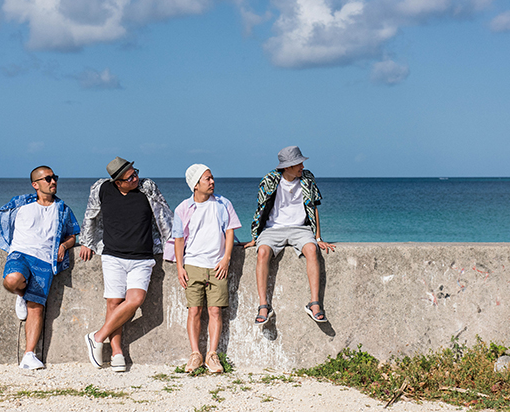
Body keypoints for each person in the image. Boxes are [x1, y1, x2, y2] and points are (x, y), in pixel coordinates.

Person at [0, 166, 79, 370]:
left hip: (45, 261)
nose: (53, 182)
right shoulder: (21, 203)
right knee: (12, 280)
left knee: (36, 307)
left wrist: (64, 245)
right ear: (35, 184)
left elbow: (73, 234)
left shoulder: (63, 209)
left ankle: (29, 355)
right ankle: (20, 293)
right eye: (48, 179)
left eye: (55, 178)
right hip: (20, 254)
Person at [79, 157, 173, 372]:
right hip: (112, 255)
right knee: (114, 302)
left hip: (142, 257)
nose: (135, 178)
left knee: (135, 300)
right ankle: (116, 352)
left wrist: (174, 246)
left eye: (135, 172)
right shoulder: (101, 189)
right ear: (117, 183)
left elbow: (164, 215)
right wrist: (86, 241)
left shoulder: (147, 187)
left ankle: (97, 337)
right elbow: (90, 215)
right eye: (129, 177)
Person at [244, 146, 336, 325]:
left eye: (301, 163)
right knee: (262, 252)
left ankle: (314, 304)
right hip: (272, 228)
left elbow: (314, 207)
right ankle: (264, 305)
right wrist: (255, 237)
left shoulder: (308, 178)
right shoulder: (269, 180)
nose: (302, 166)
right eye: (297, 164)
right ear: (287, 167)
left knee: (311, 249)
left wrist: (318, 238)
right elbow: (260, 209)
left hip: (300, 228)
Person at [171, 165, 241, 373]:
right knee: (194, 310)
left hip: (216, 265)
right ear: (195, 185)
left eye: (212, 178)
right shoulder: (183, 208)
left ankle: (212, 355)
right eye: (207, 179)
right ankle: (195, 354)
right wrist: (179, 267)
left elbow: (229, 232)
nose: (212, 182)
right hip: (193, 264)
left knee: (215, 311)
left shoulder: (223, 203)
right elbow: (178, 239)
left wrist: (226, 258)